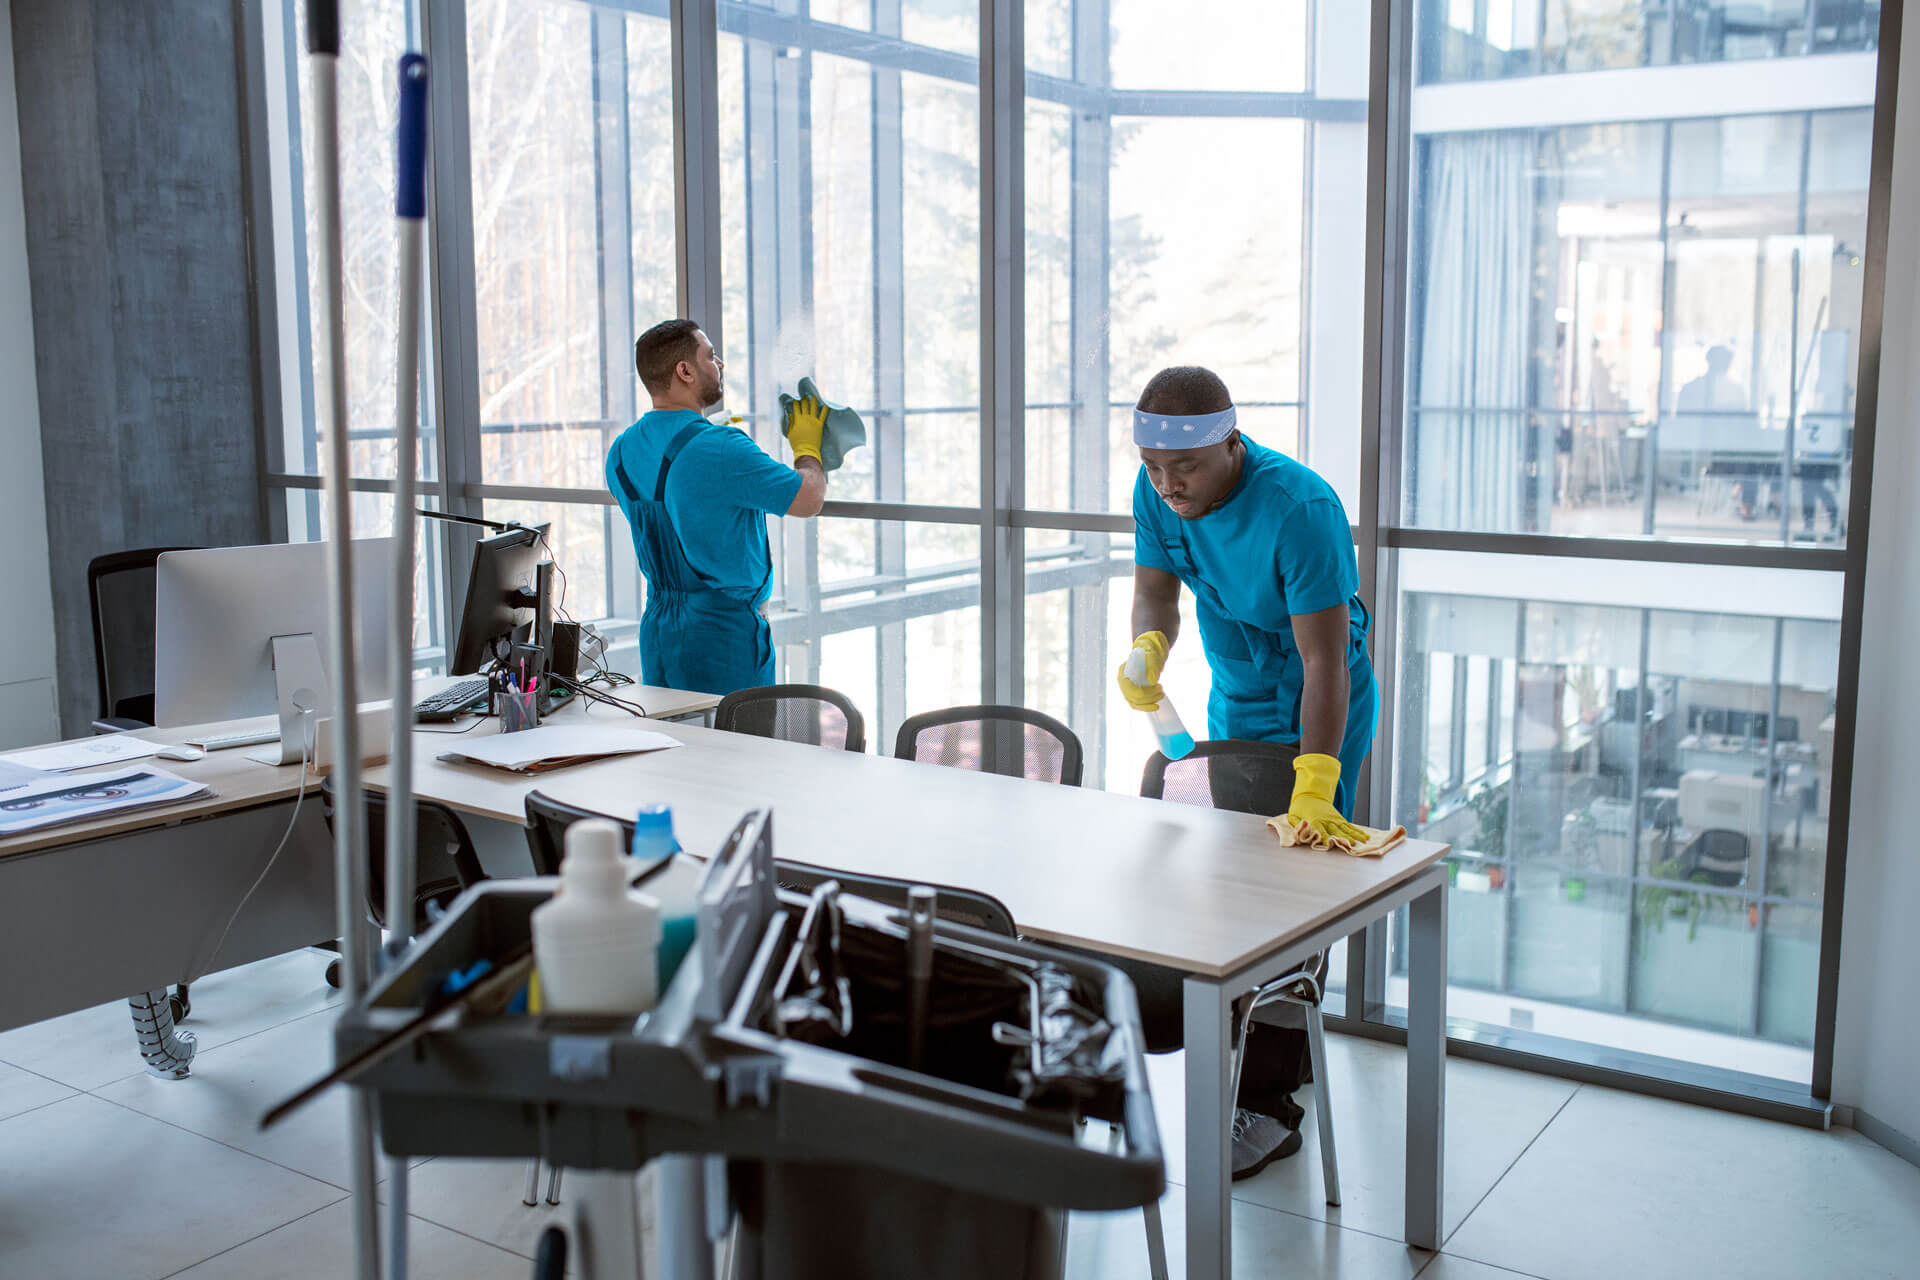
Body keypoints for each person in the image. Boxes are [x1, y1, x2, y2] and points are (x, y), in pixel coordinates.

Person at [1118, 365, 1378, 1180]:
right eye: (1154, 468)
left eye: (1184, 468)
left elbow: (1324, 659)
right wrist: (1148, 645)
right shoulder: (1155, 490)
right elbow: (1157, 592)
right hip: (1237, 700)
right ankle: (1257, 1065)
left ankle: (1270, 1108)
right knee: (1238, 892)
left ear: (1230, 444)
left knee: (1295, 897)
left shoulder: (1300, 508)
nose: (1168, 486)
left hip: (1318, 704)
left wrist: (1316, 778)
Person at [605, 319, 828, 695]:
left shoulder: (621, 451)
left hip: (659, 630)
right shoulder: (721, 447)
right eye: (711, 356)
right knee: (739, 749)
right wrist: (807, 448)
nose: (719, 364)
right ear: (685, 371)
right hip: (723, 636)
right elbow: (809, 498)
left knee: (674, 745)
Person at [1675, 345, 1763, 519]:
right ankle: (1746, 505)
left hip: (1712, 452)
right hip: (1716, 455)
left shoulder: (1693, 387)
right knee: (1752, 464)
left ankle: (1741, 499)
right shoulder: (1732, 390)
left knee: (1749, 461)